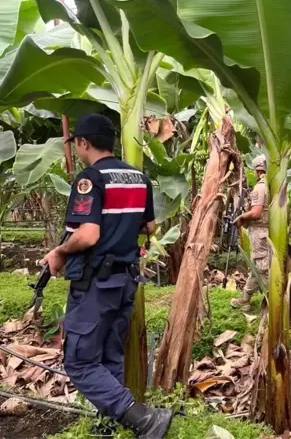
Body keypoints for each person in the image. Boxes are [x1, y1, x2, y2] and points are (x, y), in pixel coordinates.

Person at [40, 114, 172, 439]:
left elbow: (87, 235)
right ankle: (109, 428)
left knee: (81, 362)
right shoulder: (140, 178)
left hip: (96, 283)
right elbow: (151, 227)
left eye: (77, 144)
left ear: (84, 143)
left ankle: (144, 420)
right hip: (125, 280)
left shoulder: (90, 179)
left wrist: (59, 252)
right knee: (110, 355)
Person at [230, 155, 269, 312]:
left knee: (261, 267)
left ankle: (273, 300)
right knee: (259, 266)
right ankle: (245, 298)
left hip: (260, 231)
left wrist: (241, 217)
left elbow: (256, 212)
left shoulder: (261, 187)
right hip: (270, 231)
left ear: (258, 170)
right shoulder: (275, 185)